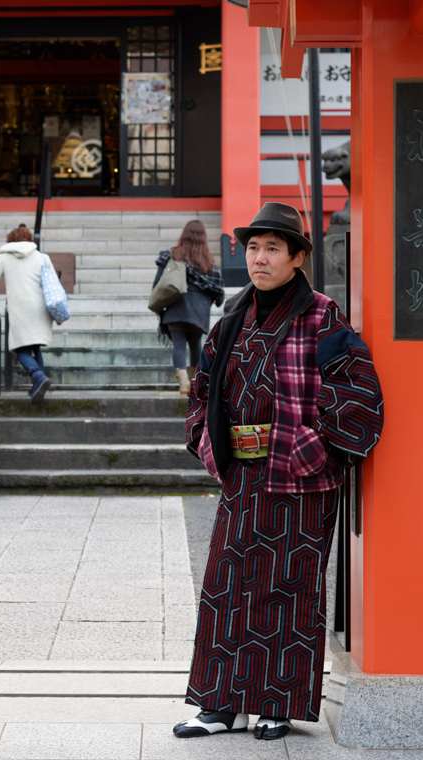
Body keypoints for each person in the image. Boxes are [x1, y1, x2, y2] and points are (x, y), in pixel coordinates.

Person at [174, 203, 384, 741]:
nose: (259, 258)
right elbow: (202, 392)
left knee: (289, 586)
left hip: (302, 474)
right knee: (227, 584)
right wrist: (207, 443)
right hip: (242, 475)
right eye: (253, 247)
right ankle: (219, 703)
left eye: (272, 248)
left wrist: (317, 446)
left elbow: (359, 392)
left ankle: (276, 703)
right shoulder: (232, 319)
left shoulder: (323, 316)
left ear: (297, 257)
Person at [0, 224, 54, 403]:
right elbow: (54, 287)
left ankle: (38, 377)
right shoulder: (41, 257)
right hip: (41, 309)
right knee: (35, 347)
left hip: (21, 310)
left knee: (21, 350)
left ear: (10, 240)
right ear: (29, 239)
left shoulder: (4, 257)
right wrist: (58, 313)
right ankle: (37, 388)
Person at [152, 220, 225, 396]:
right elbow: (218, 292)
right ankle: (194, 386)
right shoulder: (208, 261)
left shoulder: (173, 255)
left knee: (178, 345)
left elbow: (159, 282)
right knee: (195, 346)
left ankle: (183, 385)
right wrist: (215, 300)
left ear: (183, 235)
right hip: (198, 311)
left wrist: (156, 304)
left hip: (175, 306)